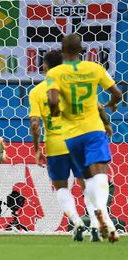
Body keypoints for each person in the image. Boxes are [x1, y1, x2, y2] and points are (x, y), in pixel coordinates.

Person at [47, 34, 123, 243]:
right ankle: (102, 215)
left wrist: (56, 113)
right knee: (98, 176)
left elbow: (52, 100)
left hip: (71, 135)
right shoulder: (95, 69)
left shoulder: (55, 73)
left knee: (86, 179)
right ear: (82, 51)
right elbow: (117, 93)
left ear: (62, 52)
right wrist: (112, 104)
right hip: (94, 130)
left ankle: (99, 218)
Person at [29, 50, 102, 242]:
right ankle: (95, 223)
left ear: (44, 68)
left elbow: (35, 124)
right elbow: (98, 108)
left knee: (61, 187)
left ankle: (77, 222)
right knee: (87, 185)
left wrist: (37, 149)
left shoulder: (37, 92)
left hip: (55, 146)